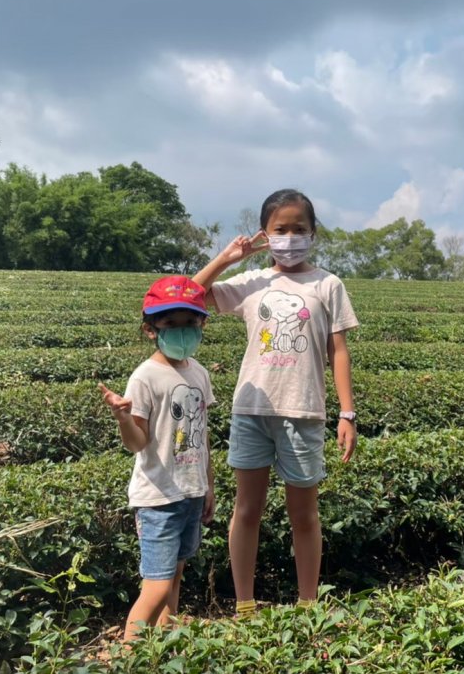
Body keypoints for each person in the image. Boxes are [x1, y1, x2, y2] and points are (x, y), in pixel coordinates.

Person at [192, 188, 358, 618]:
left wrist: (347, 413)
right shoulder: (251, 283)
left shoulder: (327, 284)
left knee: (304, 515)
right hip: (252, 410)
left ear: (313, 234)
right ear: (265, 235)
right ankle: (244, 604)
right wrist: (228, 259)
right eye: (280, 229)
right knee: (247, 510)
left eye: (298, 229)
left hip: (303, 411)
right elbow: (187, 296)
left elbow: (337, 350)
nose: (289, 237)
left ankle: (307, 605)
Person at [98, 275, 216, 641]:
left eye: (189, 323)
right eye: (170, 324)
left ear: (202, 324)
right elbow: (137, 443)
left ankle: (165, 645)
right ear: (150, 329)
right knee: (157, 586)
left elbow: (202, 435)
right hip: (159, 498)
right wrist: (122, 418)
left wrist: (209, 485)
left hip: (190, 493)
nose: (181, 331)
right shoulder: (145, 377)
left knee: (175, 577)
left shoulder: (199, 373)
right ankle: (128, 652)